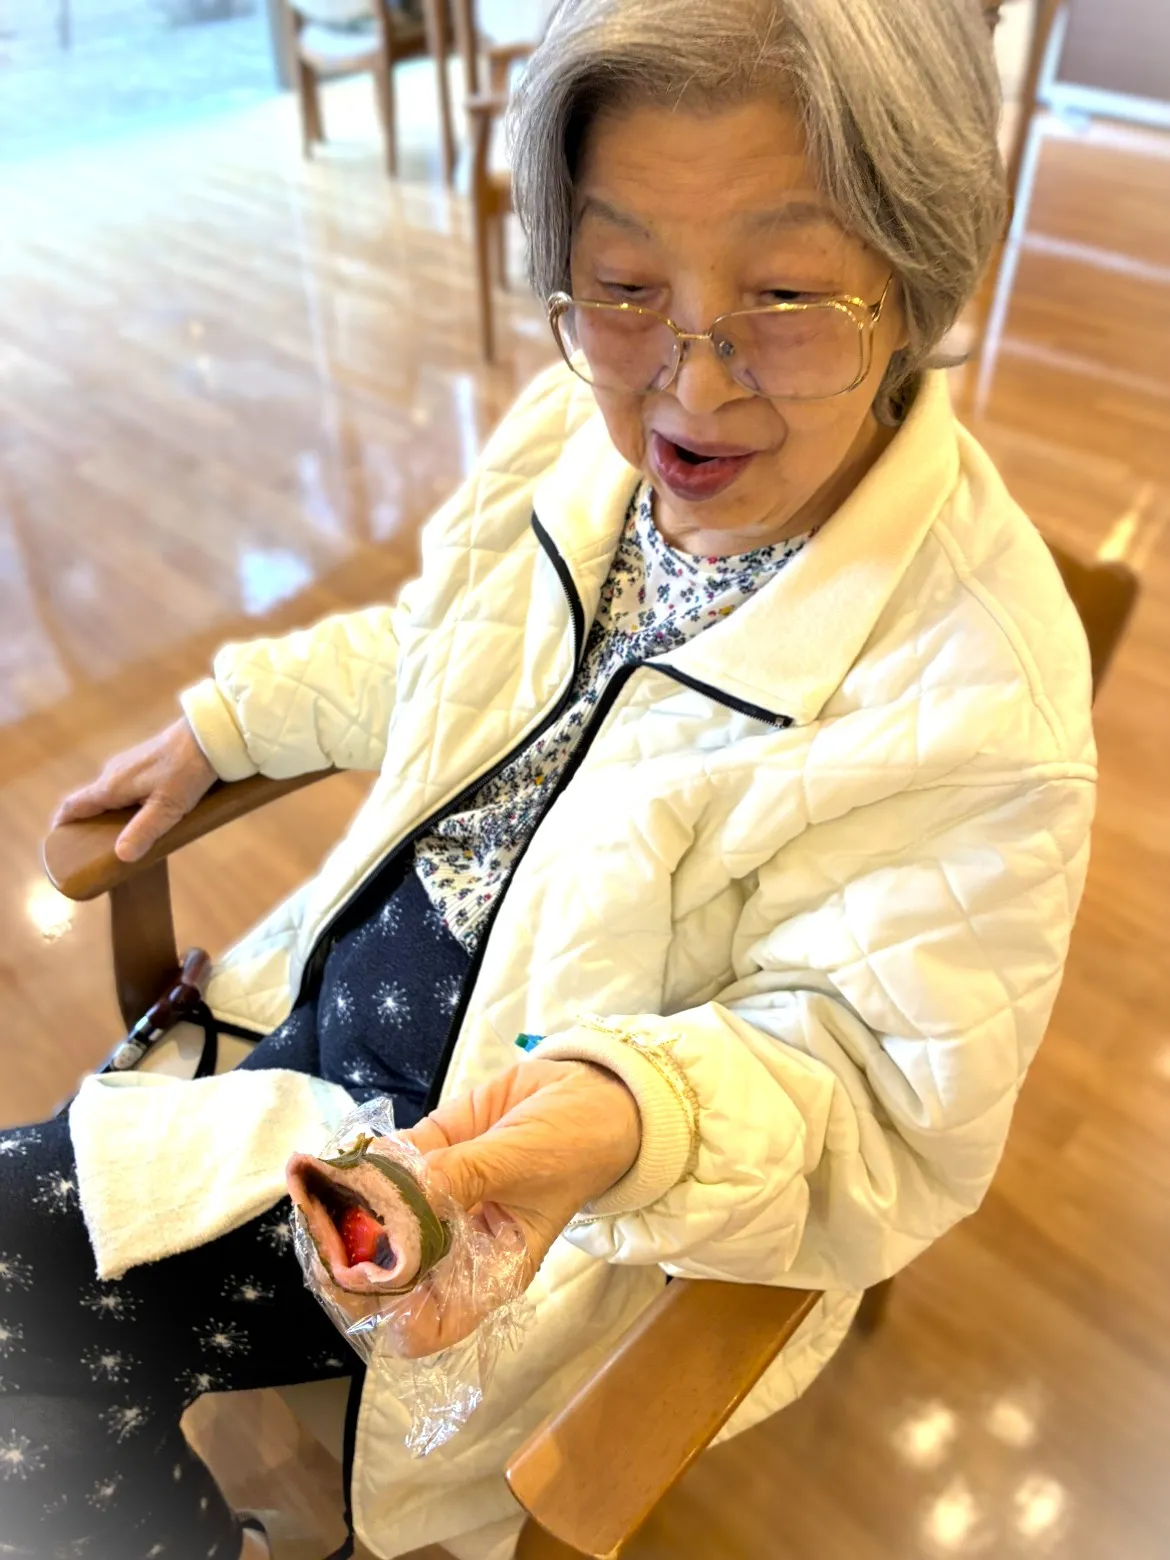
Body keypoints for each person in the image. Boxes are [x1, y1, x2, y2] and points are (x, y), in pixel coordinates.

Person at [0, 1, 1096, 1557]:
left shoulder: (980, 689)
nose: (688, 388)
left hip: (531, 1197)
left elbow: (875, 1103)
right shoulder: (568, 440)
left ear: (914, 282)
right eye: (625, 286)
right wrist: (235, 719)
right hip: (317, 1006)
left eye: (784, 296)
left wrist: (626, 1116)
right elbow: (444, 644)